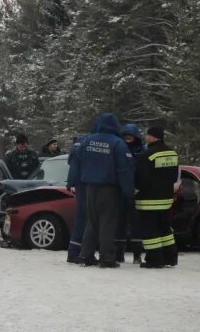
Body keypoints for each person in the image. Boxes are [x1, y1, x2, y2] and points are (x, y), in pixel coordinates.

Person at [77, 113, 134, 268]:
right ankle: (106, 257)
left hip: (89, 187)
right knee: (107, 223)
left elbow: (78, 161)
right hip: (109, 189)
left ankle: (85, 255)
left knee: (92, 222)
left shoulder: (87, 141)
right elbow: (124, 169)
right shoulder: (118, 143)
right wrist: (129, 191)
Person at [136, 126, 179, 268]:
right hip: (166, 199)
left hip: (149, 200)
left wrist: (134, 191)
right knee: (165, 230)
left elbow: (141, 179)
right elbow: (173, 176)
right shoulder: (172, 153)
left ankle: (154, 259)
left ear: (153, 137)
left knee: (150, 231)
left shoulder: (147, 155)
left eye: (147, 135)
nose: (146, 138)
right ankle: (170, 257)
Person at [115, 124, 145, 264]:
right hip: (120, 191)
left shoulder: (142, 151)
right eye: (126, 135)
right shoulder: (118, 149)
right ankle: (119, 253)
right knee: (119, 222)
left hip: (136, 192)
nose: (128, 137)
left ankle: (137, 254)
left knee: (136, 224)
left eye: (130, 135)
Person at [66, 135, 88, 263]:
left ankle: (74, 251)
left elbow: (72, 166)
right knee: (84, 218)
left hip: (80, 185)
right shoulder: (84, 145)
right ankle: (77, 252)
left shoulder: (76, 147)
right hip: (86, 185)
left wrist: (70, 183)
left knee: (80, 218)